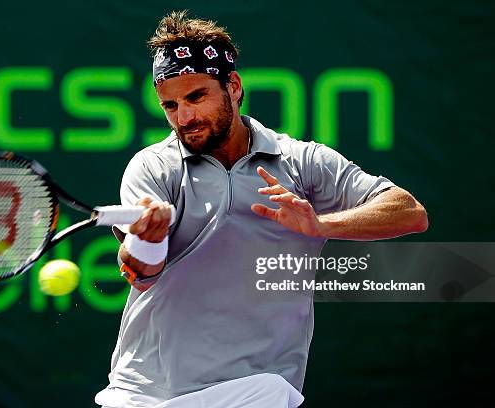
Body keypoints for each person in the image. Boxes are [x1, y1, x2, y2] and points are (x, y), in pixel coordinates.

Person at [95, 10, 428, 408]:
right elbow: (140, 274)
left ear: (233, 87)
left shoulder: (303, 162)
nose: (184, 117)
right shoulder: (152, 167)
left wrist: (320, 224)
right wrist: (148, 240)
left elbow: (408, 211)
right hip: (148, 396)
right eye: (170, 105)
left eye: (196, 97)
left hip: (254, 391)